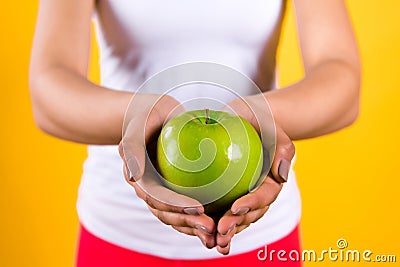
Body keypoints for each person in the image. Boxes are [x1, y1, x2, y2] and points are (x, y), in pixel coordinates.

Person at [29, 0, 360, 266]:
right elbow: (49, 86)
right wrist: (140, 115)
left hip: (263, 242)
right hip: (119, 232)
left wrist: (260, 116)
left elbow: (340, 76)